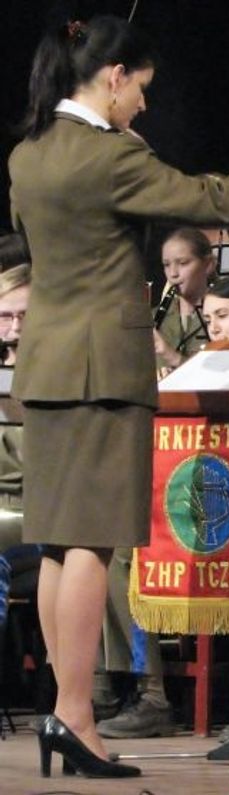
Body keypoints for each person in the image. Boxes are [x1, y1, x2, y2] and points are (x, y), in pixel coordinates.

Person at [7, 14, 229, 778]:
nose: (145, 108)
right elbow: (215, 201)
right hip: (100, 371)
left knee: (59, 541)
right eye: (141, 92)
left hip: (48, 367)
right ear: (113, 77)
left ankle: (68, 713)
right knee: (92, 542)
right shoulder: (107, 155)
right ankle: (75, 714)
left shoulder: (29, 152)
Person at [0, 266, 37, 634]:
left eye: (25, 316)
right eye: (5, 316)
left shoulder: (57, 373)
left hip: (37, 514)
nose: (16, 327)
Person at [153, 227, 216, 373]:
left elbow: (220, 377)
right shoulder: (153, 318)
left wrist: (172, 357)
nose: (173, 274)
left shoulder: (223, 318)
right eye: (166, 265)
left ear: (208, 265)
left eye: (182, 263)